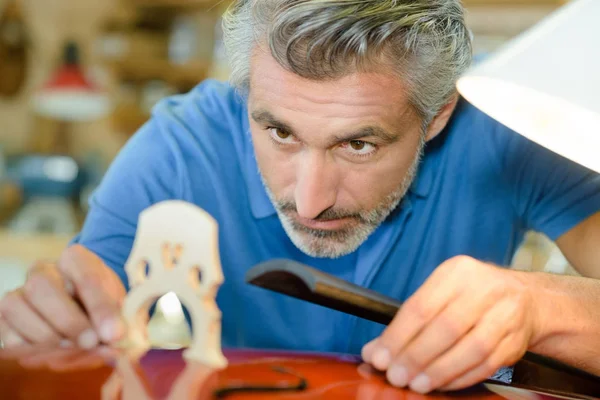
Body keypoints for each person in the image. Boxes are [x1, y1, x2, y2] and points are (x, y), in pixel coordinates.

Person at [1, 0, 600, 394]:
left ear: (437, 116)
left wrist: (542, 305)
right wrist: (48, 319)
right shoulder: (181, 146)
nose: (310, 201)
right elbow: (76, 315)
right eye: (279, 132)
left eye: (359, 144)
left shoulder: (507, 129)